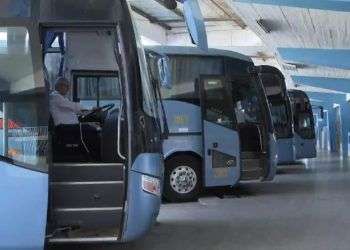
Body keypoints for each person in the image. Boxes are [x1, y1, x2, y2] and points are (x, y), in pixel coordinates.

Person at [50, 77, 101, 161]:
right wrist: (92, 109)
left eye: (68, 86)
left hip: (70, 127)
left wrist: (90, 113)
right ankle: (94, 157)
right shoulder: (55, 97)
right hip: (64, 129)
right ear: (59, 86)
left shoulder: (62, 98)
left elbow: (78, 111)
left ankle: (92, 155)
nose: (68, 89)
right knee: (92, 130)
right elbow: (74, 106)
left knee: (92, 127)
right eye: (66, 86)